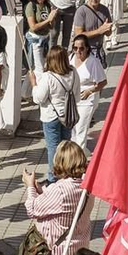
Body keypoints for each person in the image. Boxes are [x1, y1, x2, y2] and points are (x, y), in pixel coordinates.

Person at [31, 45, 77, 181]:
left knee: (53, 148)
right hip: (68, 115)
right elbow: (77, 94)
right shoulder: (73, 72)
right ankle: (66, 173)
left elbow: (38, 99)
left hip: (51, 116)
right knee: (65, 146)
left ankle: (53, 178)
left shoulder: (48, 77)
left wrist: (34, 84)